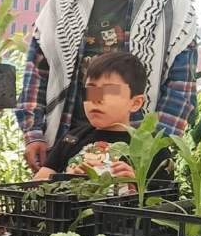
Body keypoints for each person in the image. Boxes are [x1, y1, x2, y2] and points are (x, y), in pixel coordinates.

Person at [16, 0, 197, 172]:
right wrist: (34, 133)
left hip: (134, 152)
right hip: (68, 142)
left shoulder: (171, 1)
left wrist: (149, 158)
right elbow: (38, 67)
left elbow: (180, 88)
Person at [33, 52, 170, 181]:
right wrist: (66, 180)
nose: (96, 99)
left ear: (135, 103)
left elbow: (167, 201)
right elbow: (36, 185)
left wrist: (137, 184)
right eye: (92, 90)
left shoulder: (152, 148)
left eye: (110, 91)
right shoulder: (71, 139)